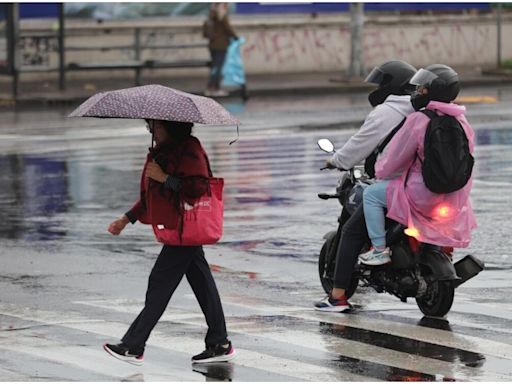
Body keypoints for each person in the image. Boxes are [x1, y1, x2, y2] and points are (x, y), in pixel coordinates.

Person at [103, 119, 235, 365]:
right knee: (202, 285)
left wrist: (165, 177)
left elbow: (197, 186)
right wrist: (126, 219)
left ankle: (133, 345)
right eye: (149, 126)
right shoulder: (164, 152)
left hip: (185, 226)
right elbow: (151, 197)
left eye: (155, 126)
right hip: (179, 228)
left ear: (170, 126)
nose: (151, 130)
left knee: (160, 284)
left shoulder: (189, 149)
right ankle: (219, 342)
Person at [314, 60, 417, 312]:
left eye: (381, 83)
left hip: (395, 185)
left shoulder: (386, 112)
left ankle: (337, 296)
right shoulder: (422, 111)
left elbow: (361, 144)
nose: (377, 88)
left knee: (351, 231)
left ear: (391, 85)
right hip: (425, 188)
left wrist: (336, 160)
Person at [359, 64, 476, 266]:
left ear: (433, 91)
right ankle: (443, 252)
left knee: (370, 195)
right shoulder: (461, 120)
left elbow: (393, 160)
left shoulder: (419, 120)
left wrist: (380, 172)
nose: (418, 91)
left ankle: (379, 250)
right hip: (454, 195)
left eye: (422, 88)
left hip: (421, 194)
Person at [203, 3, 238, 97]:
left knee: (215, 67)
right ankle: (215, 88)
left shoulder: (211, 15)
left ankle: (210, 88)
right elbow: (228, 29)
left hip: (212, 45)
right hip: (221, 45)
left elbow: (206, 32)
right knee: (218, 68)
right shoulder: (222, 15)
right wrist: (236, 37)